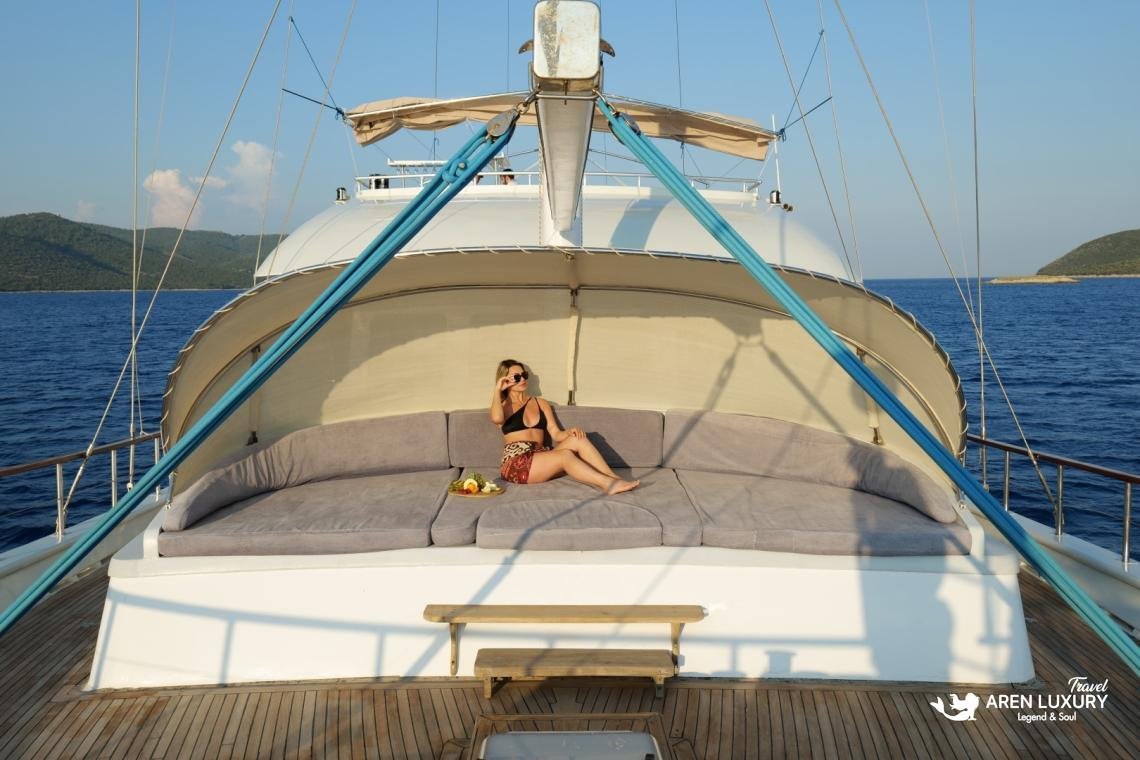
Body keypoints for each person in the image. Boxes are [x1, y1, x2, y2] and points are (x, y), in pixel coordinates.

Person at [490, 359, 640, 493]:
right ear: (505, 381)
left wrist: (569, 432)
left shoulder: (540, 403)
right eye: (517, 377)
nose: (523, 379)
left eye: (524, 375)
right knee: (565, 455)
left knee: (578, 439)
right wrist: (498, 389)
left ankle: (614, 478)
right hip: (516, 463)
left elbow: (555, 433)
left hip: (540, 456)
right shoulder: (502, 407)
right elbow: (496, 419)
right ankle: (608, 485)